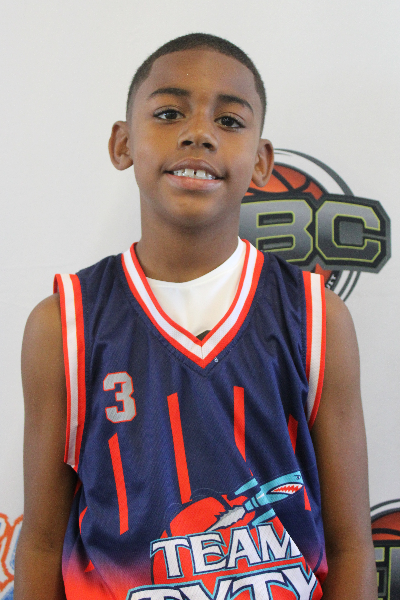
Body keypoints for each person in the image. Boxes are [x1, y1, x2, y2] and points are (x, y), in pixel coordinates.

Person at [15, 33, 377, 600]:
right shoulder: (62, 325)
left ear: (261, 162)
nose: (198, 133)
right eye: (169, 113)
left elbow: (352, 545)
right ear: (122, 143)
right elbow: (40, 544)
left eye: (229, 121)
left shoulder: (316, 318)